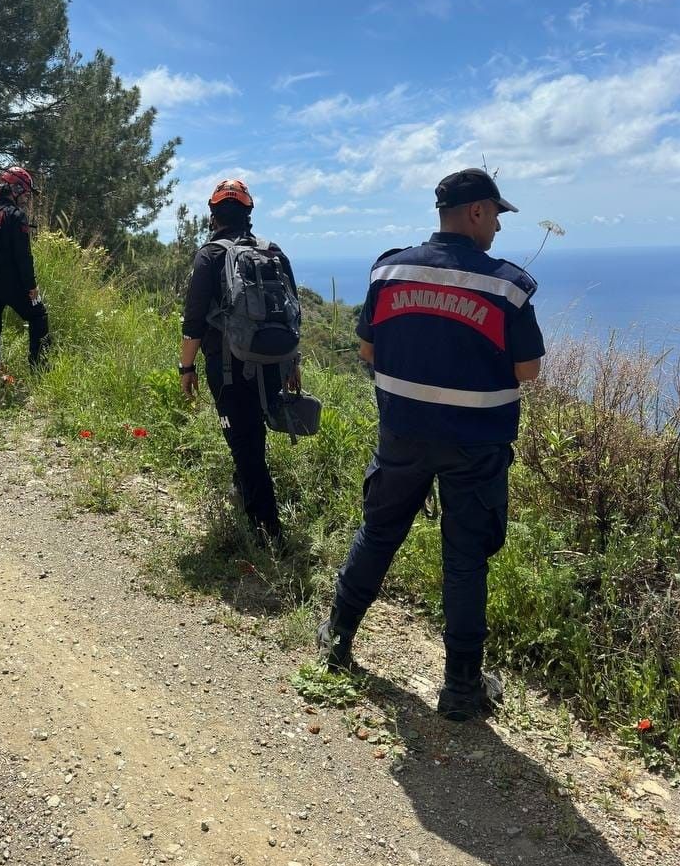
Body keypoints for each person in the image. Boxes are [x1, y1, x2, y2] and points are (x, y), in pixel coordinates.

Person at [317, 168, 545, 721]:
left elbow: (368, 353)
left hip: (402, 434)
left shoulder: (388, 270)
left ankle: (338, 638)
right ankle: (462, 689)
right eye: (495, 214)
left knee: (377, 532)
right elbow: (528, 371)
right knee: (465, 559)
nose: (497, 226)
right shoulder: (507, 286)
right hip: (476, 444)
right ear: (474, 212)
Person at [179, 178, 301, 545]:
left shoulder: (210, 255)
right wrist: (293, 364)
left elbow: (193, 321)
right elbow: (294, 311)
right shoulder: (273, 251)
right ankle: (246, 493)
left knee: (244, 441)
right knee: (252, 435)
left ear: (213, 215)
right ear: (248, 213)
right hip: (275, 359)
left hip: (229, 366)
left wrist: (186, 368)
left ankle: (268, 531)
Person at [0, 166, 51, 387]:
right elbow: (23, 256)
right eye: (24, 193)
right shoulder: (16, 216)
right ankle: (40, 373)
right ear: (15, 190)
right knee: (38, 315)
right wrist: (31, 286)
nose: (25, 199)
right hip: (12, 285)